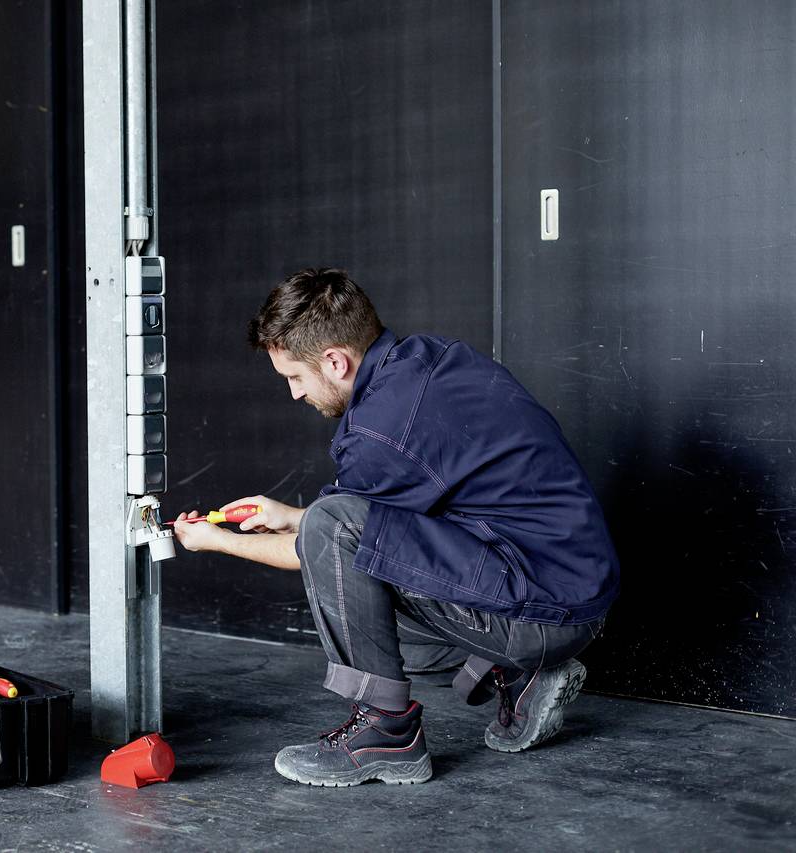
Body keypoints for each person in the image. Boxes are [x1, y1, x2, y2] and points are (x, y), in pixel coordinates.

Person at [172, 268, 619, 787]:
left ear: (335, 362)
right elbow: (389, 511)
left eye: (295, 377)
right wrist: (288, 514)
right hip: (571, 591)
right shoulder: (428, 361)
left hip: (544, 609)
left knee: (343, 563)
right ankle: (517, 676)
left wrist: (216, 541)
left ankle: (387, 734)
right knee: (355, 575)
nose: (294, 394)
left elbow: (327, 541)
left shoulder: (377, 433)